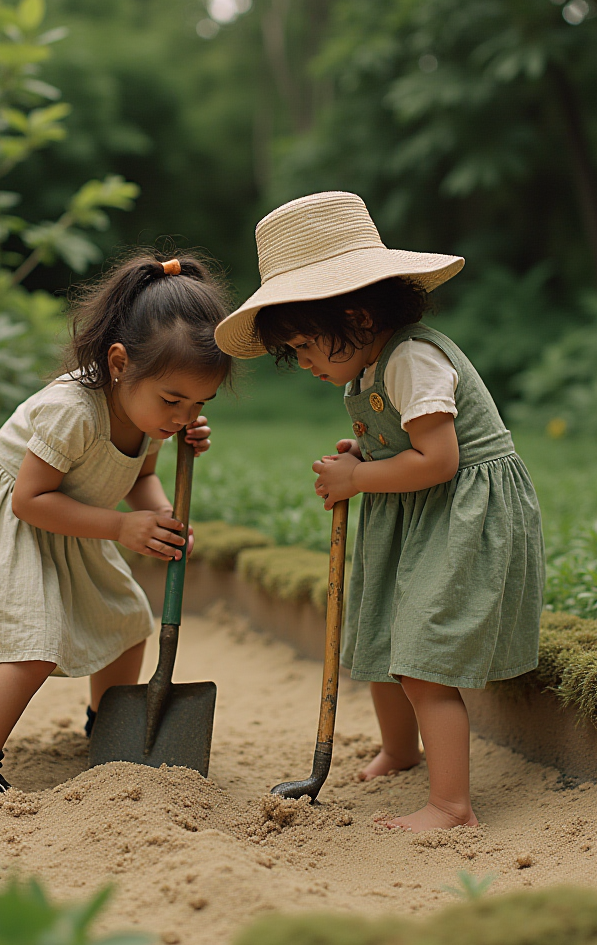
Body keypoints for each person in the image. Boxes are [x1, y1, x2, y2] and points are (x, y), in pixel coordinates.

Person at [214, 192, 543, 831]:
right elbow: (403, 442)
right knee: (384, 637)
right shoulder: (363, 369)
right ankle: (399, 750)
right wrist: (365, 450)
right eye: (294, 354)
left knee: (422, 659)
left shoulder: (416, 359)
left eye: (307, 346)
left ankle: (451, 806)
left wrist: (361, 475)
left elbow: (440, 459)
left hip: (459, 513)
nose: (304, 364)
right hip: (416, 511)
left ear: (359, 317)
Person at [0, 254, 232, 796]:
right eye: (173, 400)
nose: (183, 417)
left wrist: (160, 517)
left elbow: (137, 478)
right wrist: (122, 529)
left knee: (126, 622)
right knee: (34, 645)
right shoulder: (72, 409)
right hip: (14, 521)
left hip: (75, 521)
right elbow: (30, 500)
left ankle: (108, 729)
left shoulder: (153, 419)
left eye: (199, 403)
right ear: (120, 362)